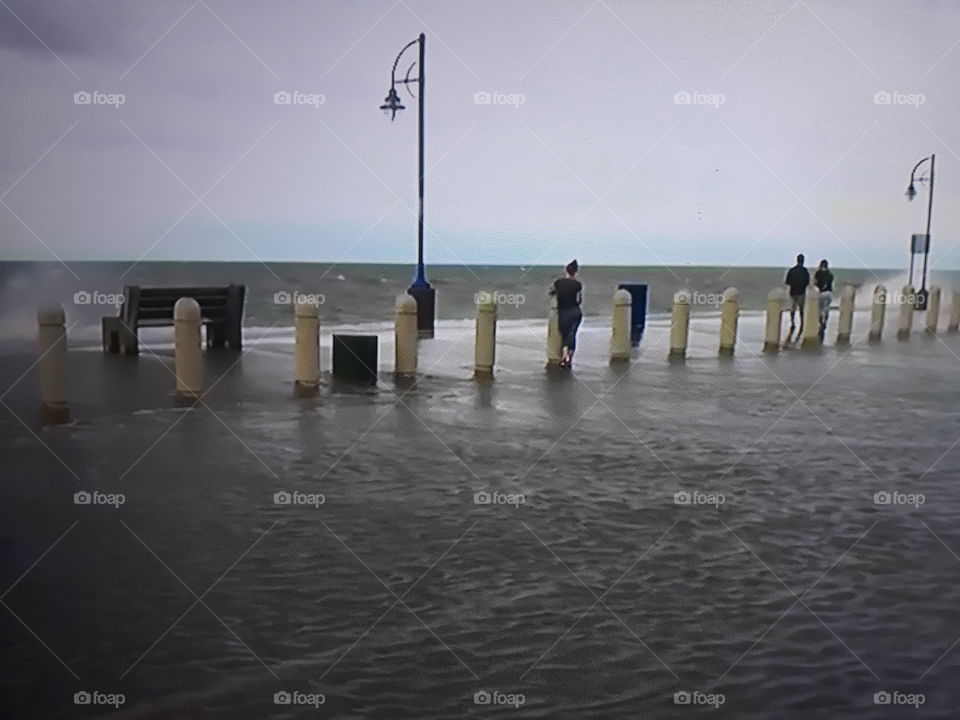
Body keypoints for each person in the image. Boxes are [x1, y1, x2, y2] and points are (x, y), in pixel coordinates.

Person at [550, 260, 583, 369]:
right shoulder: (578, 285)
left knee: (564, 334)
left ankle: (564, 357)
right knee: (572, 334)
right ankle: (570, 358)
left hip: (564, 312)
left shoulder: (559, 283)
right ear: (576, 272)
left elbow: (552, 293)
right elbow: (579, 300)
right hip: (576, 312)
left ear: (566, 271)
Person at [784, 254, 810, 338]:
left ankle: (793, 323)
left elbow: (787, 282)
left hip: (793, 292)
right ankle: (802, 323)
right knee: (801, 309)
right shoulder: (805, 271)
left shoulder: (792, 270)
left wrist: (793, 284)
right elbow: (807, 282)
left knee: (793, 308)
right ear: (803, 261)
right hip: (801, 292)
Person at [814, 259, 834, 340]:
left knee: (820, 309)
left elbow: (815, 282)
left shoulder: (818, 273)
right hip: (829, 293)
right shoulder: (830, 274)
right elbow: (831, 281)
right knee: (826, 309)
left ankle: (821, 322)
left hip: (821, 293)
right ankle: (825, 321)